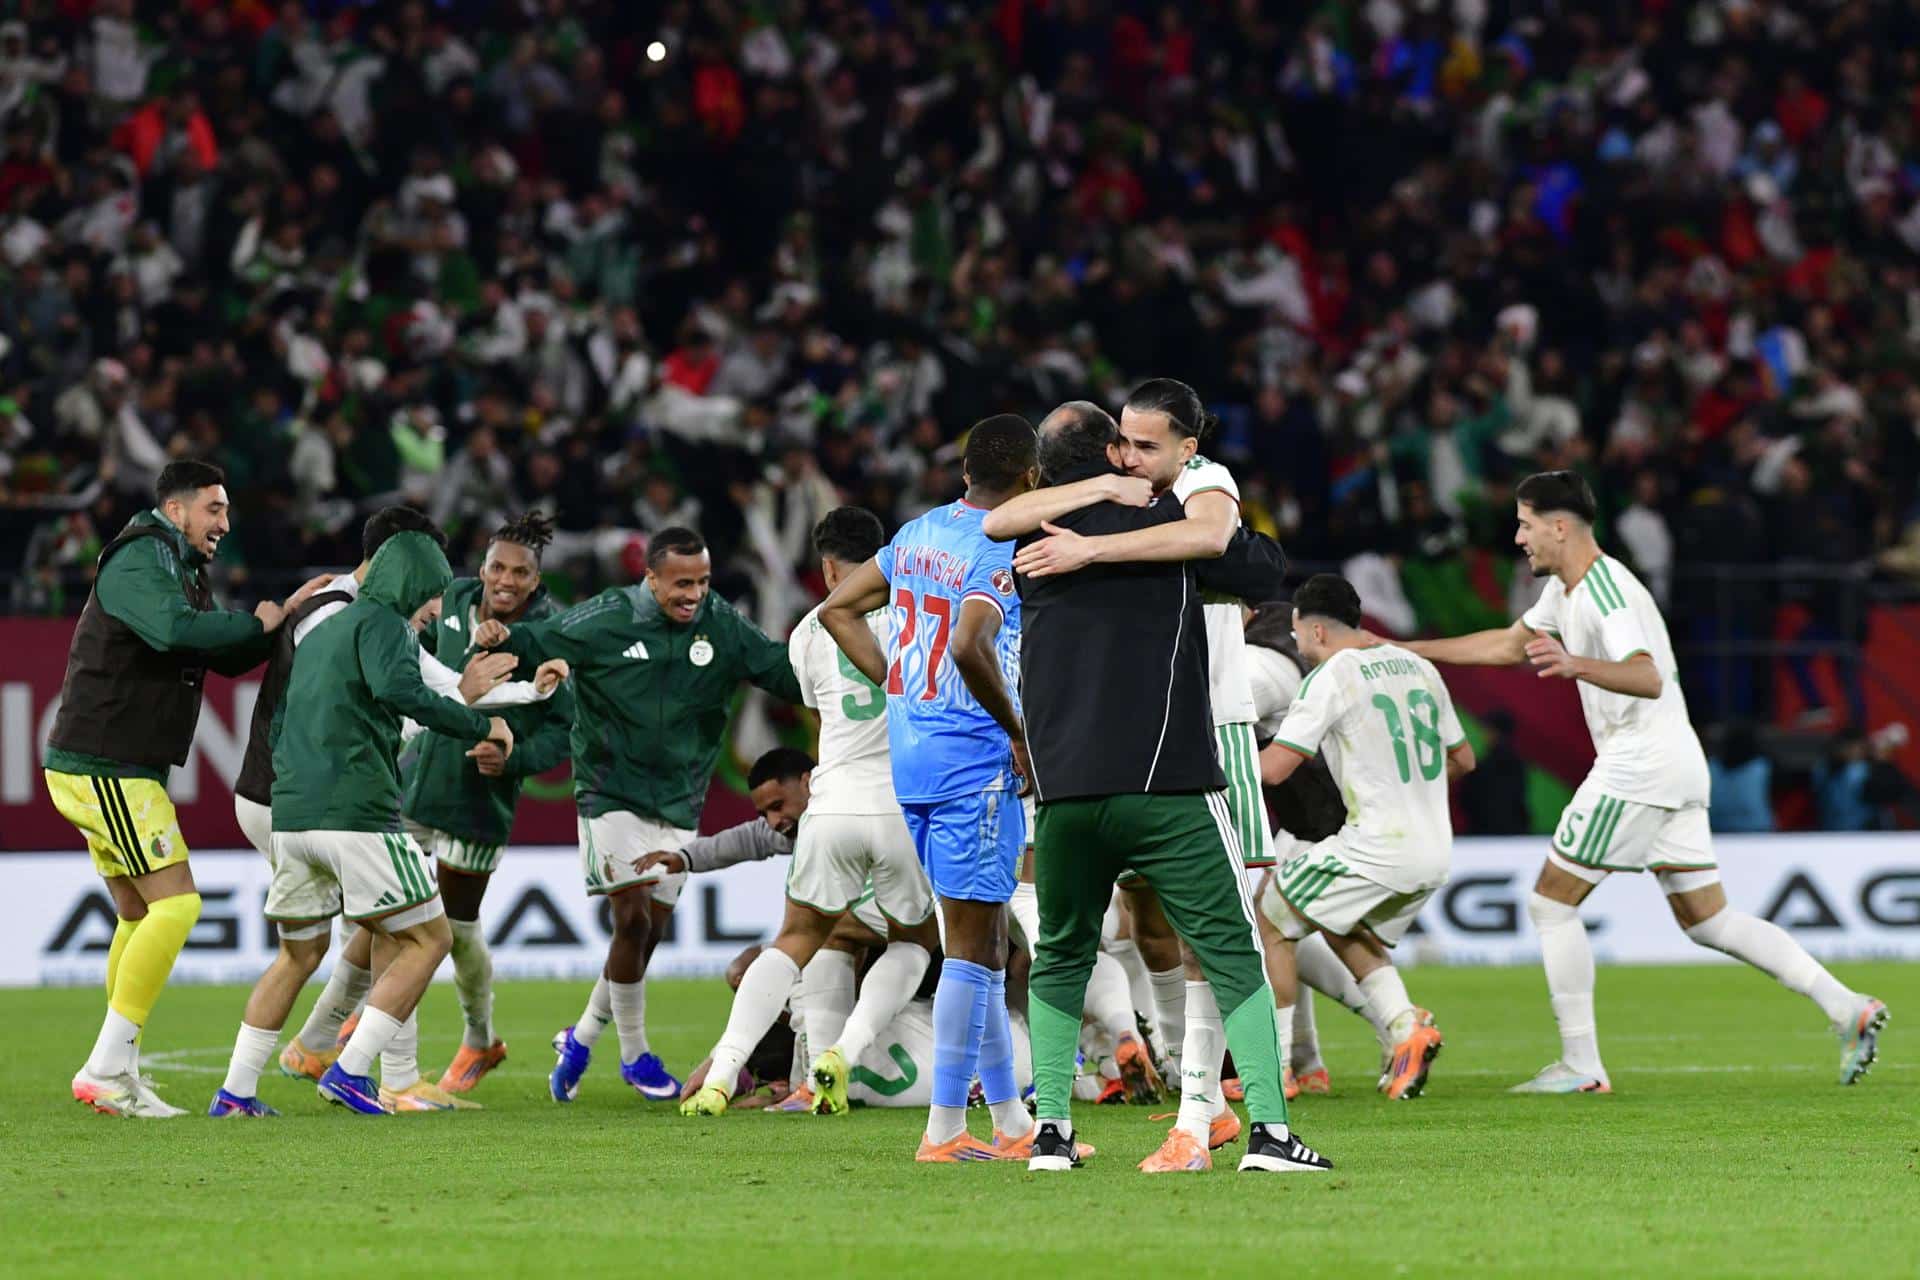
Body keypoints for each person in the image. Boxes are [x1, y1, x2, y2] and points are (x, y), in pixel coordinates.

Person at [1395, 470, 1887, 1091]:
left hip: (1640, 762)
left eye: (1525, 525)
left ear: (1559, 527)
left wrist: (1575, 663)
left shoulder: (1607, 591)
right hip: (1674, 760)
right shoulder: (1565, 592)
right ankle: (1847, 1007)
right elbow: (1507, 645)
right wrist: (1409, 650)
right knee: (1708, 920)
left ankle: (1581, 1065)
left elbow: (1646, 675)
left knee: (1550, 903)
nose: (1518, 538)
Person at [1012, 404, 1329, 1175]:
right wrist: (1193, 490)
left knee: (1062, 954)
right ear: (1116, 452)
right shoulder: (1168, 527)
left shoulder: (1029, 541)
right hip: (1167, 785)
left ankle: (1050, 1134)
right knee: (1232, 950)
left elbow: (997, 519)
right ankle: (1269, 1135)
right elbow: (1260, 567)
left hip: (1063, 795)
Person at [230, 507, 560, 1102]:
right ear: (407, 572)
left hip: (296, 805)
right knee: (423, 936)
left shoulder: (332, 614)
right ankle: (365, 1073)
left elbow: (433, 687)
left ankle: (241, 1090)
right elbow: (402, 697)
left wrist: (525, 694)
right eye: (432, 590)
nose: (437, 607)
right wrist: (478, 724)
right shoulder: (373, 620)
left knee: (308, 951)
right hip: (340, 805)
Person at [480, 525, 802, 1103]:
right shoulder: (610, 616)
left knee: (647, 932)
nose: (694, 595)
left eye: (703, 582)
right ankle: (634, 1055)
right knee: (630, 919)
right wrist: (499, 635)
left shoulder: (721, 624)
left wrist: (837, 665)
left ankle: (581, 1037)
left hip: (680, 798)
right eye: (681, 583)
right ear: (651, 579)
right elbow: (540, 639)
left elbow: (781, 671)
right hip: (610, 792)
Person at [46, 459, 326, 1117]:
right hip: (107, 762)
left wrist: (279, 620)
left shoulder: (179, 566)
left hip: (116, 763)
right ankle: (105, 1068)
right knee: (177, 906)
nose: (224, 523)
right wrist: (258, 621)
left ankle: (120, 1068)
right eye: (214, 509)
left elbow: (218, 650)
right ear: (176, 509)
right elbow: (174, 631)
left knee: (138, 914)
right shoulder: (141, 556)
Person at [818, 414, 1045, 1163]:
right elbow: (970, 643)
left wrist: (897, 681)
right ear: (1031, 478)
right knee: (976, 951)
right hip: (973, 761)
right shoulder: (1000, 547)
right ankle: (945, 1129)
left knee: (980, 943)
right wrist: (1018, 731)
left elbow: (836, 608)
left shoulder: (918, 533)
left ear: (965, 471)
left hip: (914, 760)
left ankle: (1009, 1121)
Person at [676, 509, 940, 1118]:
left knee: (798, 938)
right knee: (916, 942)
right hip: (902, 804)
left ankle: (724, 1071)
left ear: (827, 568)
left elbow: (823, 715)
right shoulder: (919, 616)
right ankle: (844, 1052)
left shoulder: (807, 632)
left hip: (833, 799)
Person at [1257, 574, 1476, 1102]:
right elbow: (1464, 759)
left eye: (1297, 634)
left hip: (1376, 845)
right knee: (1337, 919)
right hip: (1435, 851)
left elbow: (1275, 769)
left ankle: (1275, 1068)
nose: (1297, 645)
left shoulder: (1332, 676)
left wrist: (1213, 762)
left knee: (1270, 919)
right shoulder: (1419, 667)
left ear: (1316, 630)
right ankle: (1404, 1027)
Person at [405, 511, 576, 1095]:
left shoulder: (550, 634)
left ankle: (479, 1038)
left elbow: (564, 730)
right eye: (497, 567)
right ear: (481, 568)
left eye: (520, 572)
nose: (506, 580)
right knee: (387, 913)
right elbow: (414, 668)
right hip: (415, 783)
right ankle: (359, 1035)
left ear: (536, 579)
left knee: (454, 929)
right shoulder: (452, 601)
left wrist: (514, 756)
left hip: (477, 801)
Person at [1242, 600, 1395, 1097]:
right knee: (1284, 931)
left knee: (1275, 926)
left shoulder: (1259, 660)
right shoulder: (1283, 632)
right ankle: (1309, 1061)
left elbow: (1219, 715)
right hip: (1315, 817)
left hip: (1319, 822)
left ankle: (1393, 1024)